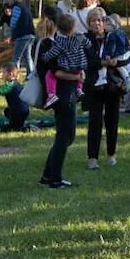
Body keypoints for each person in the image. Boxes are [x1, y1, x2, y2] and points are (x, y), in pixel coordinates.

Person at [40, 14, 86, 188]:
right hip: (63, 94)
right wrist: (77, 76)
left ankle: (48, 175)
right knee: (65, 136)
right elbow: (57, 72)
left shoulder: (59, 43)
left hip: (67, 92)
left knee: (66, 136)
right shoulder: (55, 45)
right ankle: (55, 178)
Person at [84, 9, 121, 169]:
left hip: (112, 84)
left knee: (112, 120)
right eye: (93, 21)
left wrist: (116, 62)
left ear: (104, 22)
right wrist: (102, 62)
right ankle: (92, 158)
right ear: (89, 23)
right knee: (95, 121)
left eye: (99, 20)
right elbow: (86, 62)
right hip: (94, 85)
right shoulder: (85, 39)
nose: (96, 23)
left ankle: (111, 154)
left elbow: (125, 57)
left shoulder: (113, 37)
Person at [0, 62, 30, 130]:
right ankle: (18, 123)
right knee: (7, 111)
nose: (2, 75)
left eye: (3, 73)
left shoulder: (10, 85)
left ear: (10, 74)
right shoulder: (14, 82)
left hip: (19, 113)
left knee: (11, 128)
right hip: (24, 111)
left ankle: (17, 124)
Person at [5, 0, 37, 76]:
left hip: (22, 35)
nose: (8, 2)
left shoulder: (16, 7)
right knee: (27, 57)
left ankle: (13, 75)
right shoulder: (23, 7)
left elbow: (13, 23)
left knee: (16, 57)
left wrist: (11, 34)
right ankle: (30, 75)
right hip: (30, 34)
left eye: (8, 0)